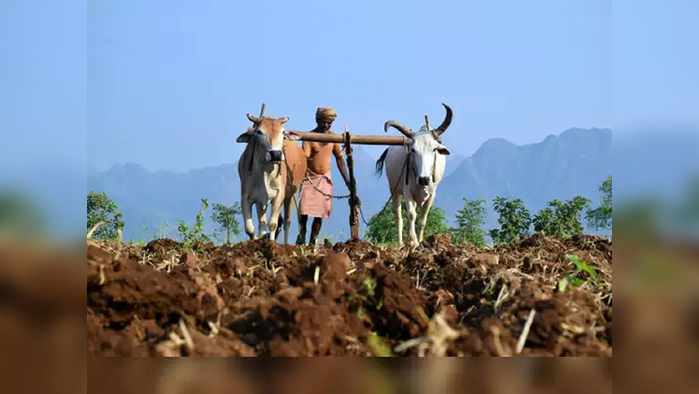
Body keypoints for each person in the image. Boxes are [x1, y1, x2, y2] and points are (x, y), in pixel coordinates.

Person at [296, 107, 355, 245]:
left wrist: (348, 181)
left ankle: (312, 241)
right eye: (323, 122)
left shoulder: (333, 137)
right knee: (303, 210)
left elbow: (340, 159)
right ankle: (302, 233)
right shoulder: (309, 138)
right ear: (317, 121)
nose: (326, 126)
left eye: (329, 123)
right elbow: (304, 159)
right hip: (309, 178)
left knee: (320, 212)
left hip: (324, 178)